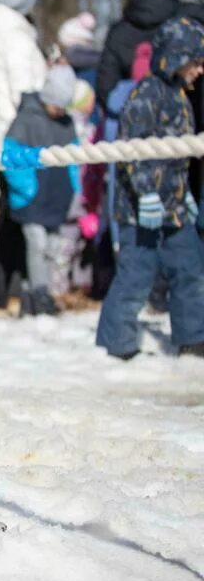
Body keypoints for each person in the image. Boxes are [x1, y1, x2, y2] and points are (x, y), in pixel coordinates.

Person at [96, 18, 204, 360]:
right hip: (140, 209)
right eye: (196, 62)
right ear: (175, 57)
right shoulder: (145, 96)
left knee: (190, 270)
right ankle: (117, 345)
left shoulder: (179, 97)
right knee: (136, 278)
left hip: (173, 206)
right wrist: (145, 194)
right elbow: (132, 151)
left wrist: (182, 192)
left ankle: (193, 337)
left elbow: (177, 157)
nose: (200, 70)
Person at [0, 0, 47, 308]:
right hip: (19, 140)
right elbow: (26, 93)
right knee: (21, 215)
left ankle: (4, 286)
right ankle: (14, 288)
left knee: (11, 214)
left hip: (5, 137)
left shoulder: (2, 35)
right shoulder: (16, 39)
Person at [2, 65, 80, 316]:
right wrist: (27, 187)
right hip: (32, 196)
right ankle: (38, 293)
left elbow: (74, 158)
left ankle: (39, 289)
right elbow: (11, 157)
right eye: (56, 105)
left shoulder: (66, 124)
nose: (59, 111)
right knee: (36, 244)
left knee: (53, 246)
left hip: (57, 194)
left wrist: (74, 186)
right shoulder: (26, 120)